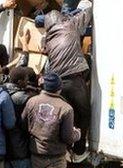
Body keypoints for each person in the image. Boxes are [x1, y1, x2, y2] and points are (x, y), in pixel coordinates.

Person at [37, 0, 92, 156]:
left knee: (63, 115)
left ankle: (63, 147)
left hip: (58, 84)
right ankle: (80, 148)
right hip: (75, 78)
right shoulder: (71, 25)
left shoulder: (46, 39)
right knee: (84, 112)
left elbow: (44, 50)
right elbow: (88, 8)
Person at [4, 67, 35, 168]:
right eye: (24, 79)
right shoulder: (25, 99)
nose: (27, 82)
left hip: (7, 151)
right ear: (19, 82)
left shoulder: (3, 95)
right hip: (21, 152)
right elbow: (27, 126)